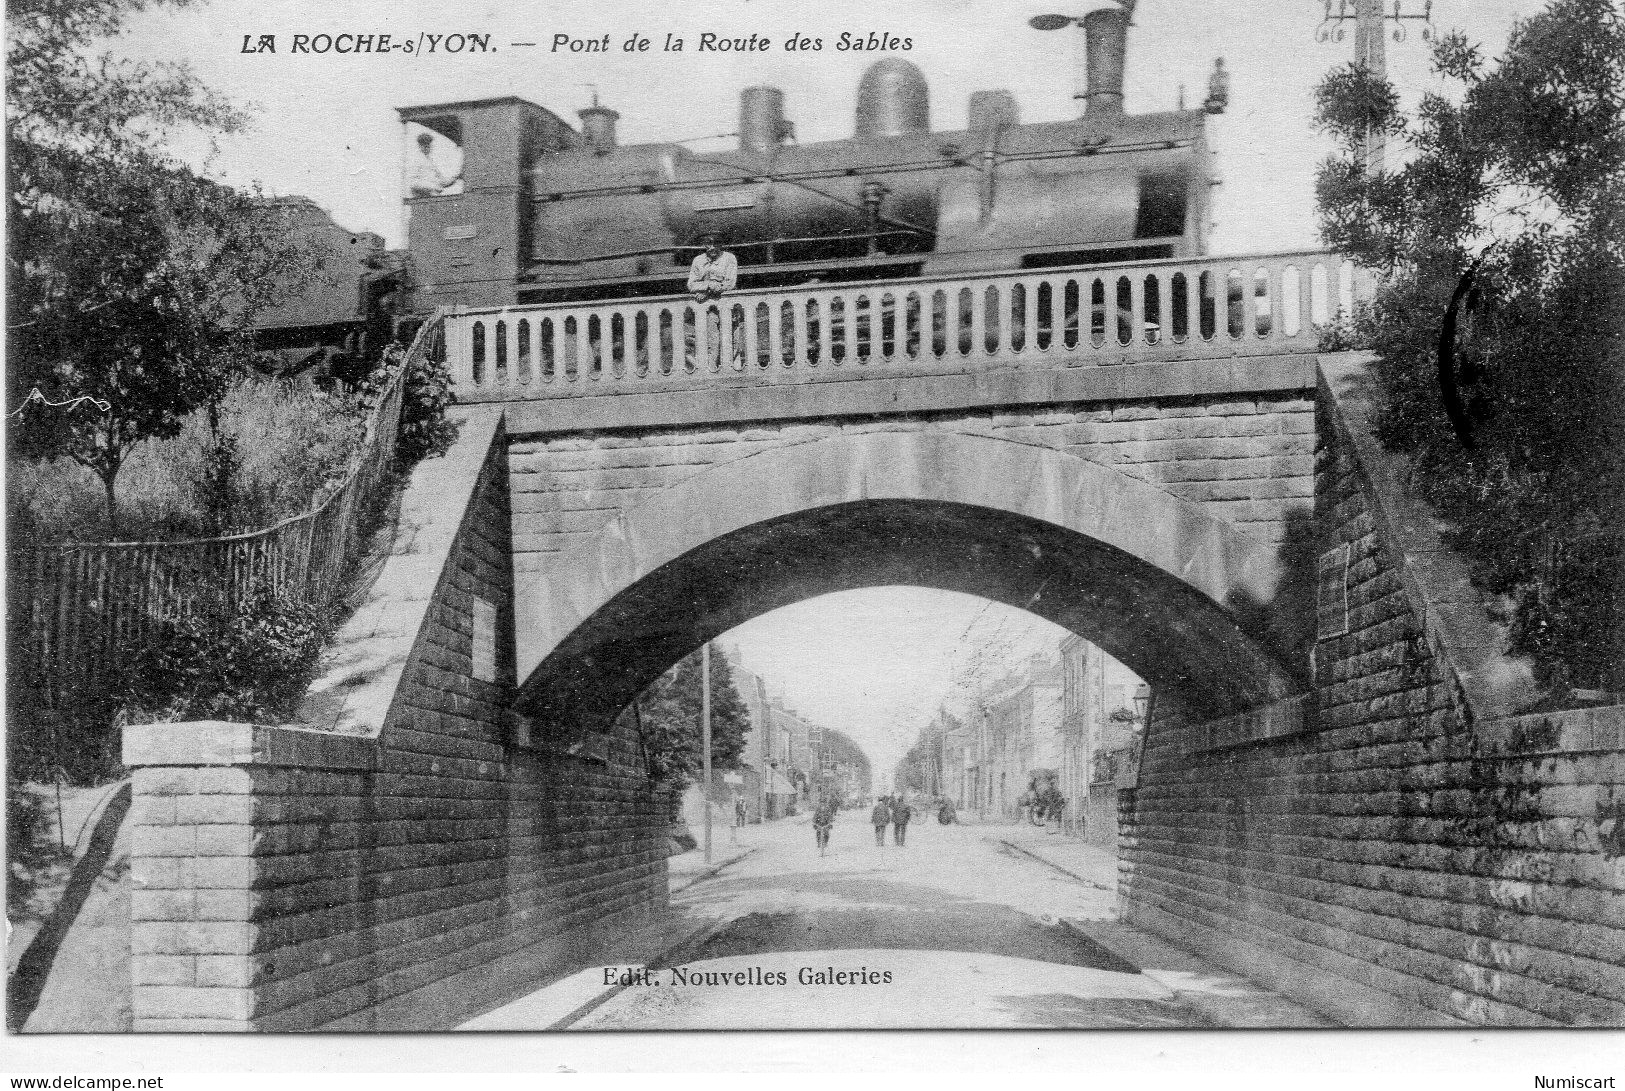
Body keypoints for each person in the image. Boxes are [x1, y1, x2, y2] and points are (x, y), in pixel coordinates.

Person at [686, 234, 740, 368]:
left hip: (726, 304)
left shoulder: (729, 258)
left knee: (732, 339)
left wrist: (706, 292)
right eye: (708, 244)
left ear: (721, 245)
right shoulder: (698, 260)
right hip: (708, 308)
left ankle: (733, 369)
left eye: (716, 244)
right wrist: (709, 285)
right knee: (712, 341)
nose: (712, 248)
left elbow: (729, 283)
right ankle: (712, 368)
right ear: (704, 245)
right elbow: (691, 285)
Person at [407, 132, 461, 198]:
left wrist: (455, 178)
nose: (427, 148)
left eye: (429, 145)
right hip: (421, 199)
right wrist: (433, 187)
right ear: (420, 146)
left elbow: (442, 182)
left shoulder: (431, 162)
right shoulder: (415, 161)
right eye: (425, 145)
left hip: (433, 197)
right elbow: (413, 183)